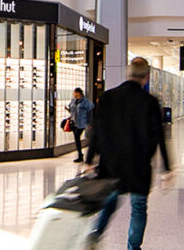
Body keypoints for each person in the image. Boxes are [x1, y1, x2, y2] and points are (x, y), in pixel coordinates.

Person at [85, 57, 172, 250]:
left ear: (128, 73)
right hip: (139, 165)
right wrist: (167, 168)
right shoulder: (150, 102)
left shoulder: (108, 97)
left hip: (112, 162)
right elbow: (159, 136)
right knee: (139, 207)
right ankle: (133, 247)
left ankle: (95, 235)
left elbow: (97, 131)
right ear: (146, 77)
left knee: (110, 199)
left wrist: (89, 158)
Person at [67, 87, 94, 162]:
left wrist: (90, 123)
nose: (73, 94)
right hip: (74, 122)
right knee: (77, 139)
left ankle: (81, 155)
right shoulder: (73, 101)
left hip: (82, 122)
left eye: (74, 92)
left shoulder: (86, 102)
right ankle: (80, 155)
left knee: (77, 137)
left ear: (78, 93)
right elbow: (72, 110)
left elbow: (90, 113)